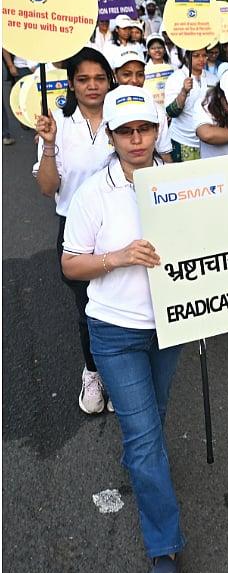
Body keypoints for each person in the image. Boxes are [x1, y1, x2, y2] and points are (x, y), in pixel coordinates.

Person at [59, 85, 184, 573]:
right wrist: (119, 257)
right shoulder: (93, 193)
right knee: (148, 439)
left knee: (153, 417)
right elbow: (71, 264)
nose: (137, 139)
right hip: (114, 331)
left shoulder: (183, 183)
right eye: (126, 131)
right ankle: (165, 544)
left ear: (158, 129)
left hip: (172, 324)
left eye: (145, 129)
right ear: (110, 134)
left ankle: (138, 451)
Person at [34, 47, 118, 415]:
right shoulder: (60, 125)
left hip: (123, 226)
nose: (92, 86)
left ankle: (120, 376)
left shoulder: (124, 116)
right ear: (71, 83)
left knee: (123, 306)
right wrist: (50, 144)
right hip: (76, 232)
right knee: (88, 309)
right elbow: (47, 187)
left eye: (100, 78)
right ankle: (95, 371)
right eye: (83, 79)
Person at [104, 46, 173, 163]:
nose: (134, 80)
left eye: (140, 74)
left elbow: (164, 154)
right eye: (127, 74)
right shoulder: (104, 107)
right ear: (115, 74)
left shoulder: (156, 111)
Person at [163, 47, 217, 161]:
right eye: (196, 55)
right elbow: (171, 112)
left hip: (208, 141)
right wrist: (184, 92)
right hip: (182, 139)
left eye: (204, 55)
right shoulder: (175, 78)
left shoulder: (213, 79)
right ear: (186, 57)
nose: (201, 59)